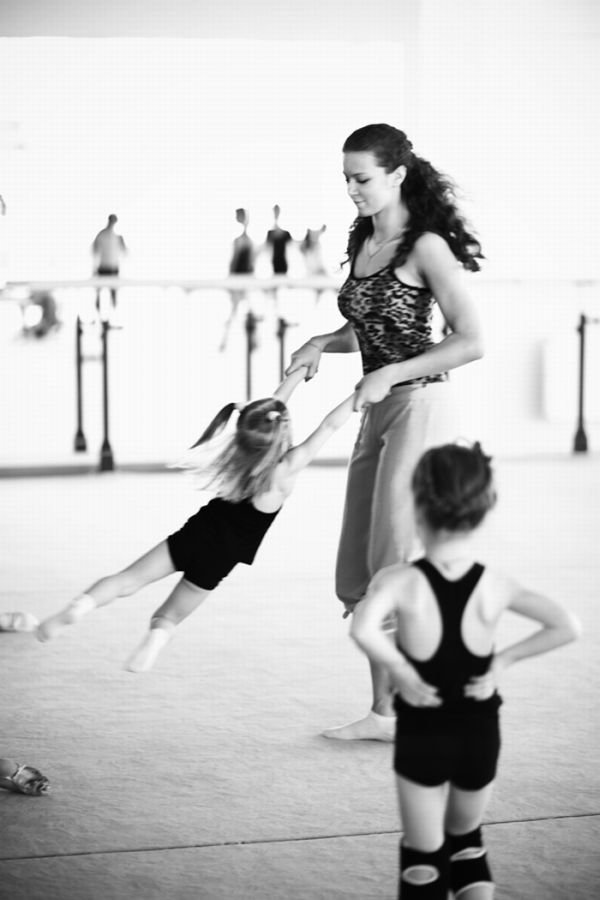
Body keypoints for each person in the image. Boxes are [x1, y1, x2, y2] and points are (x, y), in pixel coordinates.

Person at [286, 123, 485, 741]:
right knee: (357, 569)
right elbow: (373, 320)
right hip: (374, 409)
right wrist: (325, 340)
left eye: (362, 178)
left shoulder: (425, 245)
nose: (352, 189)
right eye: (346, 178)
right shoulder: (364, 236)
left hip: (419, 408)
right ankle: (385, 714)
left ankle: (414, 709)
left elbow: (471, 341)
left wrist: (392, 373)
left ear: (398, 173)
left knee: (392, 564)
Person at [350, 442, 580, 899]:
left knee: (423, 860)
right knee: (468, 845)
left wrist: (401, 670)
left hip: (423, 735)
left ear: (417, 504)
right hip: (479, 733)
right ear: (483, 509)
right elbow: (566, 626)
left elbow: (363, 627)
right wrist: (501, 661)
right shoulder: (495, 583)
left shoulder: (398, 581)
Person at [37, 368, 357, 672]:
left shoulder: (242, 446)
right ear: (283, 429)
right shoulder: (288, 467)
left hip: (199, 531)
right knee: (169, 615)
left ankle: (78, 608)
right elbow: (329, 426)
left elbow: (268, 412)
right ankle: (155, 638)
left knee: (126, 580)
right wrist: (360, 395)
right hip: (226, 553)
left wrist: (296, 377)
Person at [220, 208, 256, 352]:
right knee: (234, 311)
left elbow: (239, 261)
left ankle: (253, 341)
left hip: (243, 279)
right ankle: (225, 340)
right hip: (239, 279)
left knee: (246, 311)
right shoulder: (240, 239)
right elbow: (235, 261)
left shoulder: (245, 240)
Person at [91, 213, 127, 316]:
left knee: (114, 292)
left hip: (113, 267)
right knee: (99, 292)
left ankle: (113, 315)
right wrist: (93, 268)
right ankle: (98, 315)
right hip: (103, 267)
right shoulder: (101, 234)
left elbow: (125, 252)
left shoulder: (118, 236)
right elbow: (94, 251)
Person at [299, 224, 328, 303]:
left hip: (321, 278)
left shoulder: (321, 246)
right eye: (313, 232)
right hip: (308, 279)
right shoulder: (303, 247)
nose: (315, 234)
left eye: (317, 232)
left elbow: (322, 266)